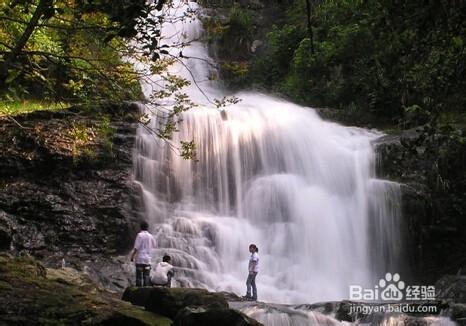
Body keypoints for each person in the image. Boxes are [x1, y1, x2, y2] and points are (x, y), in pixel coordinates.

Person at [130, 221, 156, 287]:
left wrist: (132, 256)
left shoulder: (139, 235)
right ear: (147, 227)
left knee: (139, 277)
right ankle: (145, 292)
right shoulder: (151, 236)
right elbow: (154, 245)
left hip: (140, 259)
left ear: (140, 227)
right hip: (148, 260)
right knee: (146, 277)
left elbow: (136, 247)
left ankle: (138, 293)